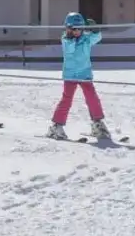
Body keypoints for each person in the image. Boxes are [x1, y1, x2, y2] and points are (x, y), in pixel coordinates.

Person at [47, 12, 109, 141]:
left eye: (80, 28)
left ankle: (97, 123)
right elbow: (69, 49)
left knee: (92, 98)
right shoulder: (66, 40)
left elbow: (97, 38)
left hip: (84, 74)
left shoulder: (86, 39)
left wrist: (96, 31)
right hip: (71, 75)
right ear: (68, 29)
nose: (77, 32)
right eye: (74, 29)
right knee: (67, 99)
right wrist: (71, 38)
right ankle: (56, 125)